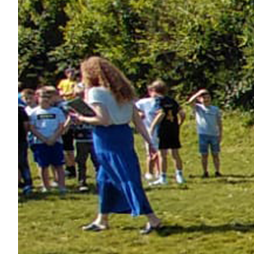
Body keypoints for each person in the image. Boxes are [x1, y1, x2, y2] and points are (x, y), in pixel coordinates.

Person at [71, 56, 164, 234]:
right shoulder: (123, 91)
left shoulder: (95, 92)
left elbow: (103, 120)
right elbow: (137, 120)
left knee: (126, 177)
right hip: (124, 134)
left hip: (107, 137)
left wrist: (81, 118)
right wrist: (149, 141)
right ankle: (102, 219)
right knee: (104, 178)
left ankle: (153, 219)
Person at [26, 86, 72, 192]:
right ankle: (46, 186)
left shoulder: (57, 111)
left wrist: (54, 138)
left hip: (56, 141)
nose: (45, 99)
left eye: (48, 97)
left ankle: (62, 186)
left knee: (59, 165)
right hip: (40, 142)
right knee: (43, 166)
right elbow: (32, 128)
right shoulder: (34, 112)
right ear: (37, 98)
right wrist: (44, 139)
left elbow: (61, 126)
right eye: (43, 97)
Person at [151, 92, 186, 186]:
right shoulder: (172, 101)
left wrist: (152, 128)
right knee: (175, 153)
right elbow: (182, 113)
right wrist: (179, 123)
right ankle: (179, 176)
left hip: (163, 129)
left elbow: (161, 114)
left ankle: (163, 177)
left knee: (162, 154)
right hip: (173, 128)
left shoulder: (159, 101)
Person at [186, 89, 223, 177]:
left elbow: (219, 122)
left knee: (215, 154)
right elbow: (189, 102)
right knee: (204, 155)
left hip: (214, 134)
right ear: (199, 99)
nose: (206, 100)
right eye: (204, 98)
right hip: (203, 135)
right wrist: (199, 93)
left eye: (208, 98)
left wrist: (220, 134)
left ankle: (217, 171)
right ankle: (205, 172)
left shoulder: (215, 109)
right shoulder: (198, 108)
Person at [137, 81, 167, 184]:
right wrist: (139, 113)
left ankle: (159, 171)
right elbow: (134, 109)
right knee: (150, 152)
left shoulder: (164, 102)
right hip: (148, 130)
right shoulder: (144, 102)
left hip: (162, 130)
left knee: (161, 152)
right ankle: (149, 172)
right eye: (154, 91)